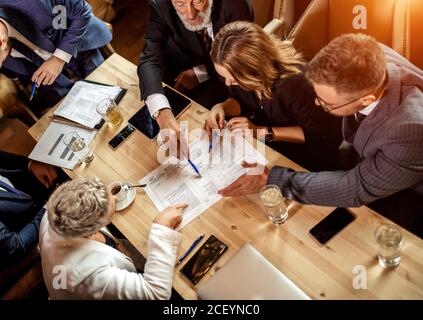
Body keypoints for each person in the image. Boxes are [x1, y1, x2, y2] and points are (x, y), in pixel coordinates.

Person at [218, 33, 423, 237]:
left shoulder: (408, 132)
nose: (316, 103)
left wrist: (270, 179)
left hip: (411, 195)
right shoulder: (369, 54)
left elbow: (355, 187)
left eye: (327, 103)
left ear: (367, 100)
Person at [205, 21, 343, 170]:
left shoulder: (296, 84)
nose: (228, 83)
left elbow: (322, 138)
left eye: (233, 78)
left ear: (253, 68)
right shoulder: (246, 76)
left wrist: (261, 132)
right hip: (267, 145)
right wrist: (222, 107)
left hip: (305, 157)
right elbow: (242, 101)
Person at [39, 177, 188, 299]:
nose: (114, 199)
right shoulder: (88, 275)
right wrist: (160, 230)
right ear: (92, 229)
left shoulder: (53, 214)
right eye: (110, 208)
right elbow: (155, 293)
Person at [138, 0, 254, 144]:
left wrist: (200, 73)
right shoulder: (160, 4)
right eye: (180, 4)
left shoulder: (235, 4)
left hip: (226, 77)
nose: (191, 14)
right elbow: (149, 58)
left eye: (197, 1)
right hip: (182, 69)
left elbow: (239, 59)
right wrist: (161, 113)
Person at [0, 0, 112, 109]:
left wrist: (59, 58)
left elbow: (82, 11)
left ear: (2, 41)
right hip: (48, 81)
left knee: (111, 98)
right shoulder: (5, 62)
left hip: (79, 49)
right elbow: (21, 74)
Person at [0, 151, 62, 266]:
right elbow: (14, 247)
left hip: (20, 185)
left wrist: (29, 164)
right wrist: (48, 207)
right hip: (29, 221)